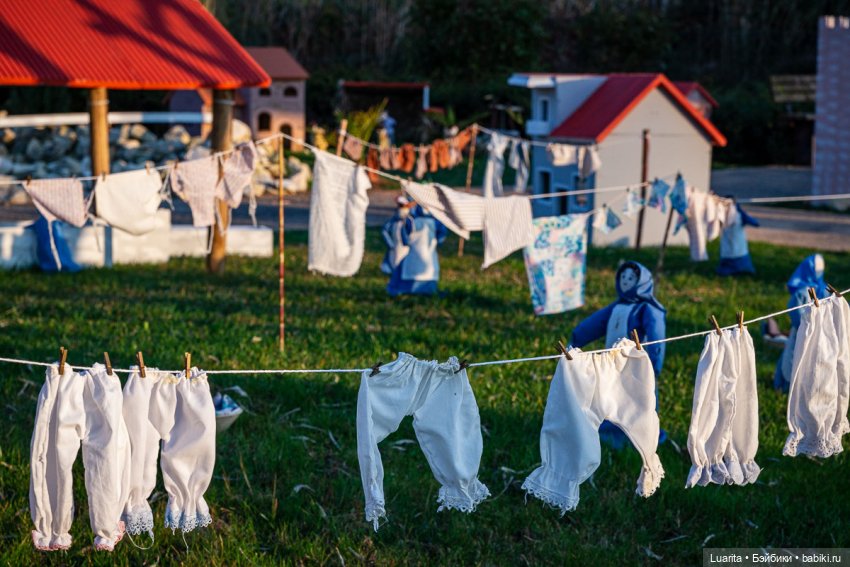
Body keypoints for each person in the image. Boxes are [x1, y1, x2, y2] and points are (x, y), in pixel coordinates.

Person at [571, 261, 667, 448]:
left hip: (637, 365)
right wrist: (577, 340)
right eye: (623, 277)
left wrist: (655, 363)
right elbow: (595, 324)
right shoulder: (617, 307)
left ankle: (640, 433)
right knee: (611, 395)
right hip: (612, 363)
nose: (626, 281)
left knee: (638, 398)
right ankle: (611, 429)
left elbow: (657, 335)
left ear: (641, 281)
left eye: (631, 278)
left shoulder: (647, 309)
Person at [773, 254, 828, 392]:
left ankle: (787, 386)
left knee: (794, 360)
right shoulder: (821, 290)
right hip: (816, 335)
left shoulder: (807, 292)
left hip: (801, 334)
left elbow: (795, 315)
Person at [386, 203, 447, 297]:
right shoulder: (437, 222)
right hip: (430, 258)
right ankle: (429, 290)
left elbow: (404, 240)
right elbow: (441, 238)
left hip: (412, 257)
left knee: (405, 271)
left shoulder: (410, 221)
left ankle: (402, 290)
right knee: (429, 272)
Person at [380, 196, 413, 276]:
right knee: (395, 259)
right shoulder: (394, 220)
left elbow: (412, 232)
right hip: (395, 245)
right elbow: (385, 230)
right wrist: (390, 243)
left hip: (406, 246)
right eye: (400, 206)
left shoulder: (409, 220)